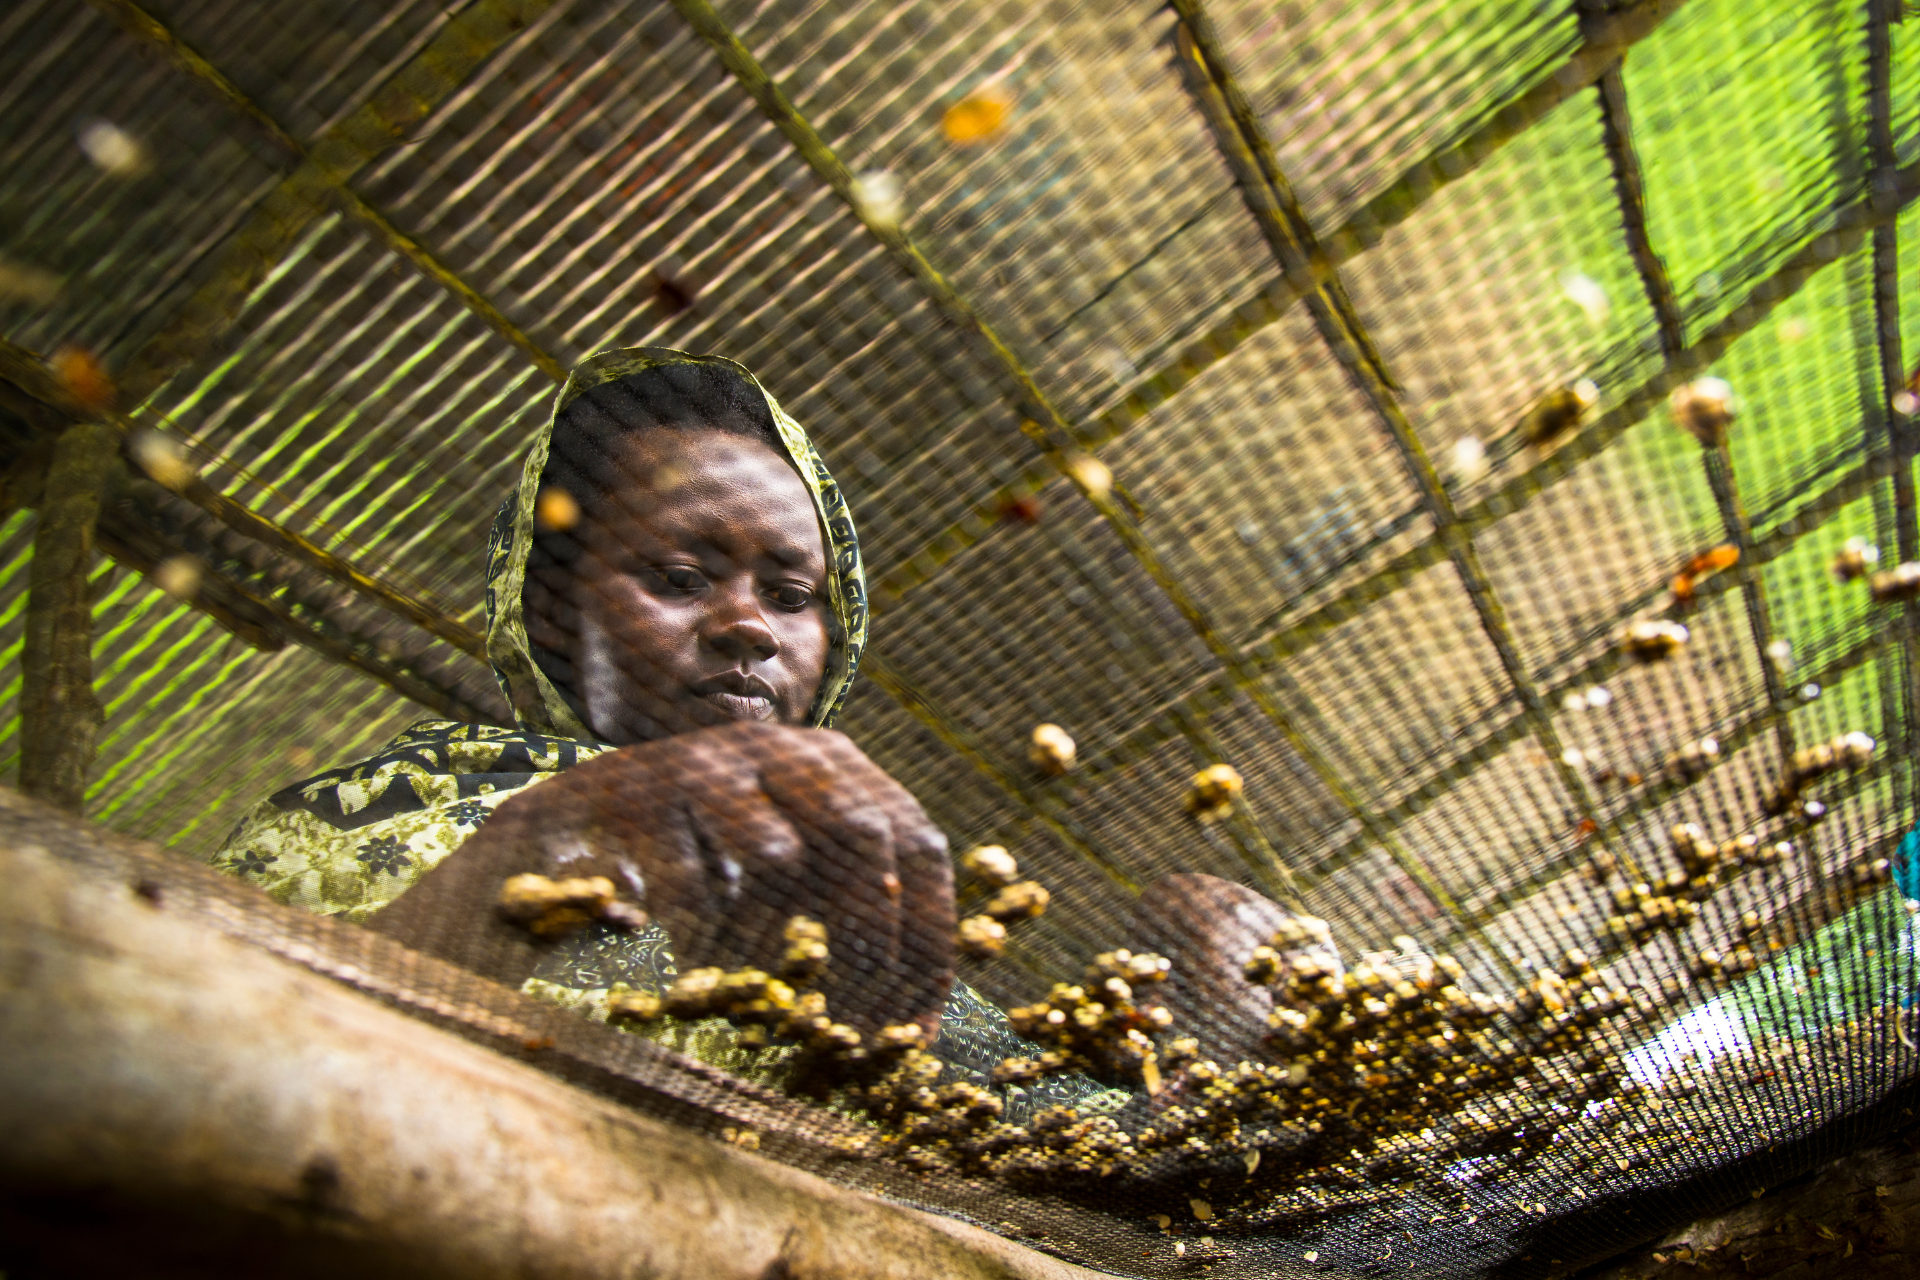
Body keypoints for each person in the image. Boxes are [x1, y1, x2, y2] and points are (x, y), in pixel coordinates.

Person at [215, 346, 1288, 1088]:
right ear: (551, 605)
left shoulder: (871, 899)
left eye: (789, 595)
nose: (749, 627)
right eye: (681, 575)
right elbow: (237, 1052)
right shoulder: (381, 814)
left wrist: (1193, 1044)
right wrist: (548, 842)